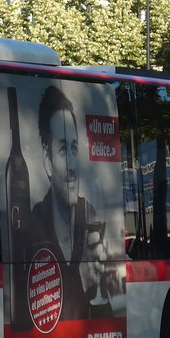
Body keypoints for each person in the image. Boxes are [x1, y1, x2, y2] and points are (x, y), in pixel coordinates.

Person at [29, 85, 113, 321]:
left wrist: (98, 288)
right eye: (63, 150)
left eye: (74, 149)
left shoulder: (90, 215)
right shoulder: (32, 228)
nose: (72, 166)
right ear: (47, 160)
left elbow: (106, 328)